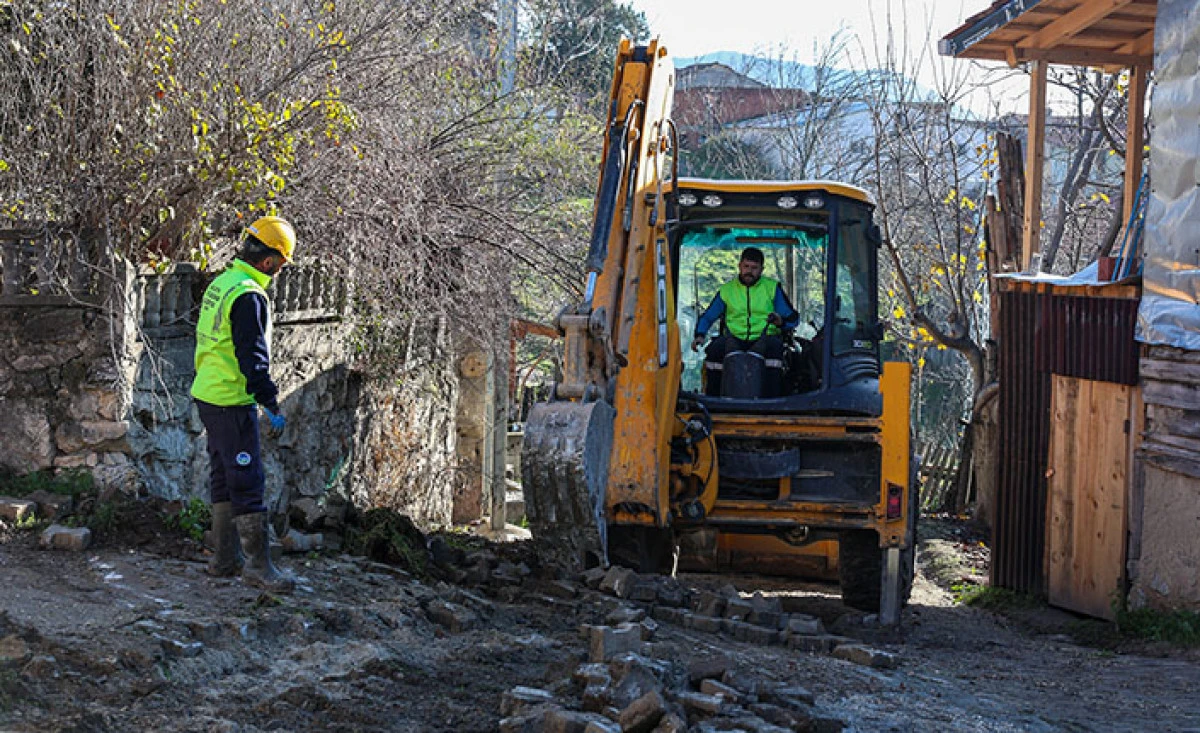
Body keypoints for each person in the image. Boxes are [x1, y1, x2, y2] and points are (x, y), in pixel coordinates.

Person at [191, 215, 296, 593]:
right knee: (247, 479)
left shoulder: (223, 283)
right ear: (269, 261)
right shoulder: (249, 294)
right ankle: (257, 567)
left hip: (208, 393)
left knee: (223, 475)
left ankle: (223, 559)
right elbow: (253, 357)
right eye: (281, 263)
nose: (281, 270)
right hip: (231, 400)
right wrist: (270, 402)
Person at [691, 247, 799, 396]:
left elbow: (792, 318)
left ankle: (771, 402)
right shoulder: (727, 290)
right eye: (746, 266)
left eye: (754, 268)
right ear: (740, 266)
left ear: (762, 269)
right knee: (714, 350)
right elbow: (709, 316)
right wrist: (700, 335)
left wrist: (781, 322)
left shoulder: (772, 288)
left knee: (775, 350)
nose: (749, 271)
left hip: (765, 338)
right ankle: (714, 401)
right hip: (734, 338)